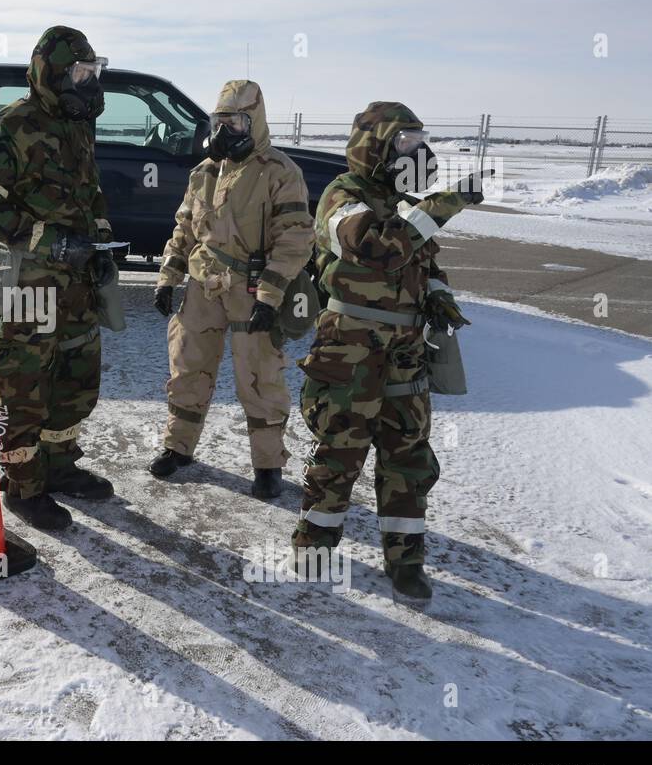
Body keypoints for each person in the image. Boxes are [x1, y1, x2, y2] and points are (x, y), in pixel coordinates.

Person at [296, 101, 482, 603]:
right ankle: (313, 547)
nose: (415, 153)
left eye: (419, 143)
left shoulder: (403, 205)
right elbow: (377, 248)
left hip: (405, 352)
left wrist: (439, 296)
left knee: (408, 457)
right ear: (373, 146)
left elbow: (424, 262)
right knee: (340, 453)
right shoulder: (341, 197)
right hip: (349, 351)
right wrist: (443, 204)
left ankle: (406, 562)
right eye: (403, 143)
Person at [0, 25, 117, 531]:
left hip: (77, 283)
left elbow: (91, 197)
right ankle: (23, 486)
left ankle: (58, 466)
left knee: (75, 380)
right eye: (79, 72)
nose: (88, 81)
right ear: (51, 71)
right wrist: (48, 242)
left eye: (93, 72)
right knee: (24, 385)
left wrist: (99, 245)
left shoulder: (78, 126)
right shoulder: (7, 126)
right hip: (28, 286)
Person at [149, 80, 313, 499]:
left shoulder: (280, 171)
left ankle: (268, 465)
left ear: (254, 121)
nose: (225, 131)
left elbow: (294, 238)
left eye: (236, 122)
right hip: (203, 286)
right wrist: (169, 275)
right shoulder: (203, 172)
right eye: (219, 121)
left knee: (258, 378)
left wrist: (271, 295)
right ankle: (178, 447)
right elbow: (184, 227)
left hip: (251, 288)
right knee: (187, 368)